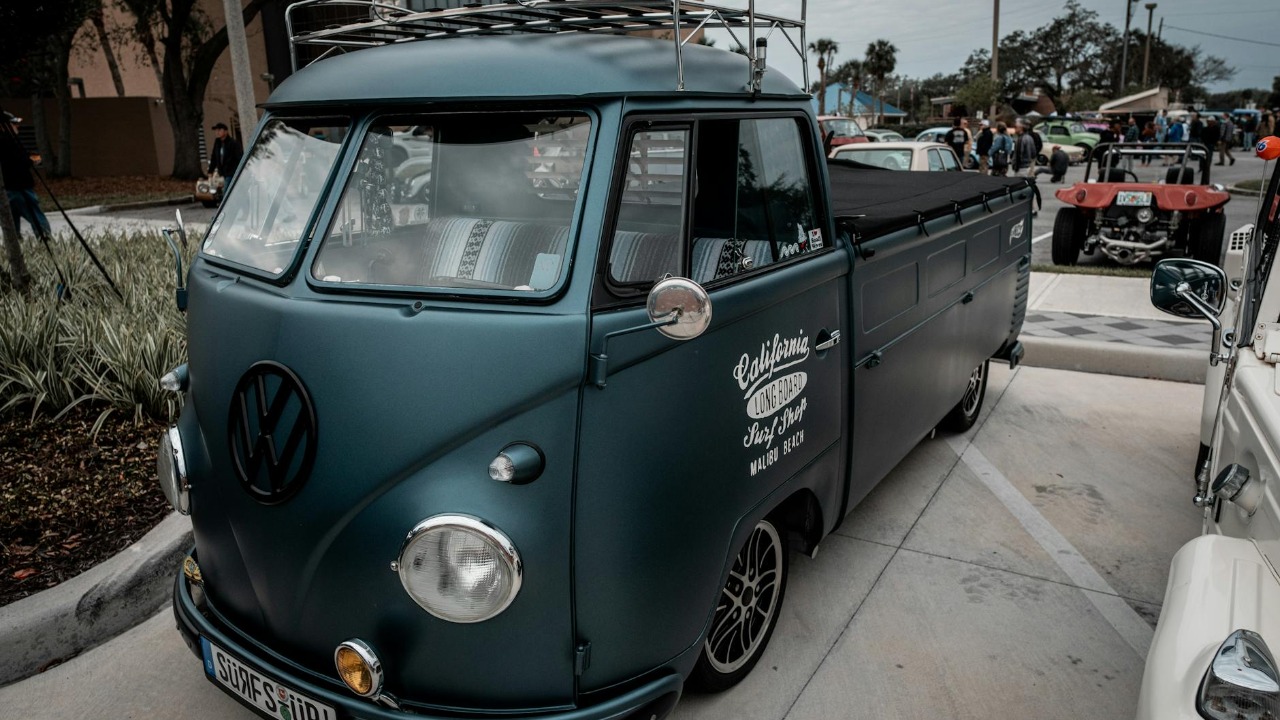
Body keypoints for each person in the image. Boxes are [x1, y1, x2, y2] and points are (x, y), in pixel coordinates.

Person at [0, 111, 51, 241]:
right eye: (14, 124)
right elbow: (19, 160)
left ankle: (16, 247)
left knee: (12, 222)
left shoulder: (7, 141)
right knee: (36, 216)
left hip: (7, 189)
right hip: (19, 187)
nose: (17, 127)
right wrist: (30, 160)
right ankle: (46, 240)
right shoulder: (9, 141)